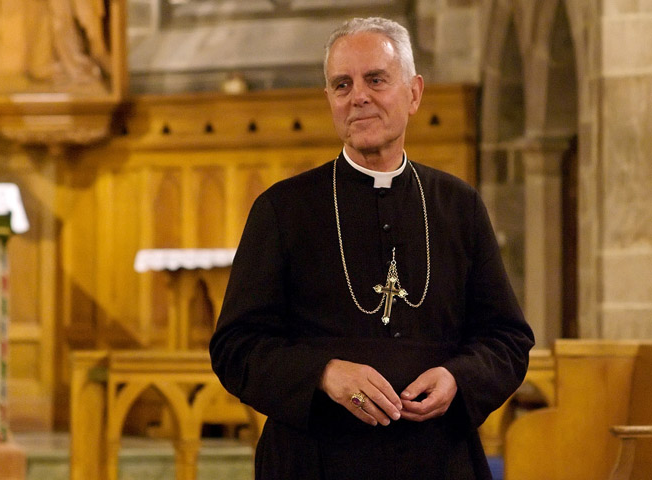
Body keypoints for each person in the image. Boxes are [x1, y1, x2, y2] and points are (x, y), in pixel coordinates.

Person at [209, 16, 534, 480]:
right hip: (314, 463)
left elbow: (508, 339)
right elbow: (235, 348)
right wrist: (324, 374)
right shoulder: (282, 209)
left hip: (438, 461)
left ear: (414, 92)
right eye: (342, 85)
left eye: (376, 79)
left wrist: (458, 379)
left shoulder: (459, 206)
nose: (358, 96)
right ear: (330, 101)